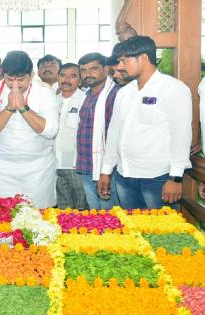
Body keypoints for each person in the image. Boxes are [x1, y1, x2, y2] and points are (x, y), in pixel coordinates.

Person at [98, 36, 192, 209]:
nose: (119, 67)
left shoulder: (173, 88)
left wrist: (176, 177)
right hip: (124, 175)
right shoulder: (124, 92)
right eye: (118, 62)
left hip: (158, 178)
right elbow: (114, 133)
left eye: (124, 61)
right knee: (134, 231)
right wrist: (106, 170)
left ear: (143, 58)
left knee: (162, 234)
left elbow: (181, 134)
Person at [0, 51, 59, 208]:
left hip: (38, 167)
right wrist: (9, 108)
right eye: (9, 79)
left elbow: (50, 131)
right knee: (3, 216)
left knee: (38, 217)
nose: (15, 85)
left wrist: (23, 108)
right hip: (2, 167)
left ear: (32, 74)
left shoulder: (44, 91)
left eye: (21, 79)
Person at [76, 53, 120, 210]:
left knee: (111, 218)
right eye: (83, 70)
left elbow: (116, 135)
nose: (87, 74)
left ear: (106, 69)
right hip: (87, 166)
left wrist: (107, 171)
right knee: (96, 217)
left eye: (93, 69)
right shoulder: (86, 95)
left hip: (108, 170)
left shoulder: (115, 95)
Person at [55, 63, 88, 210]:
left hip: (77, 165)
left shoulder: (85, 100)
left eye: (72, 76)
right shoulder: (52, 100)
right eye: (63, 75)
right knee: (62, 209)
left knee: (82, 207)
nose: (66, 79)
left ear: (80, 80)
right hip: (54, 164)